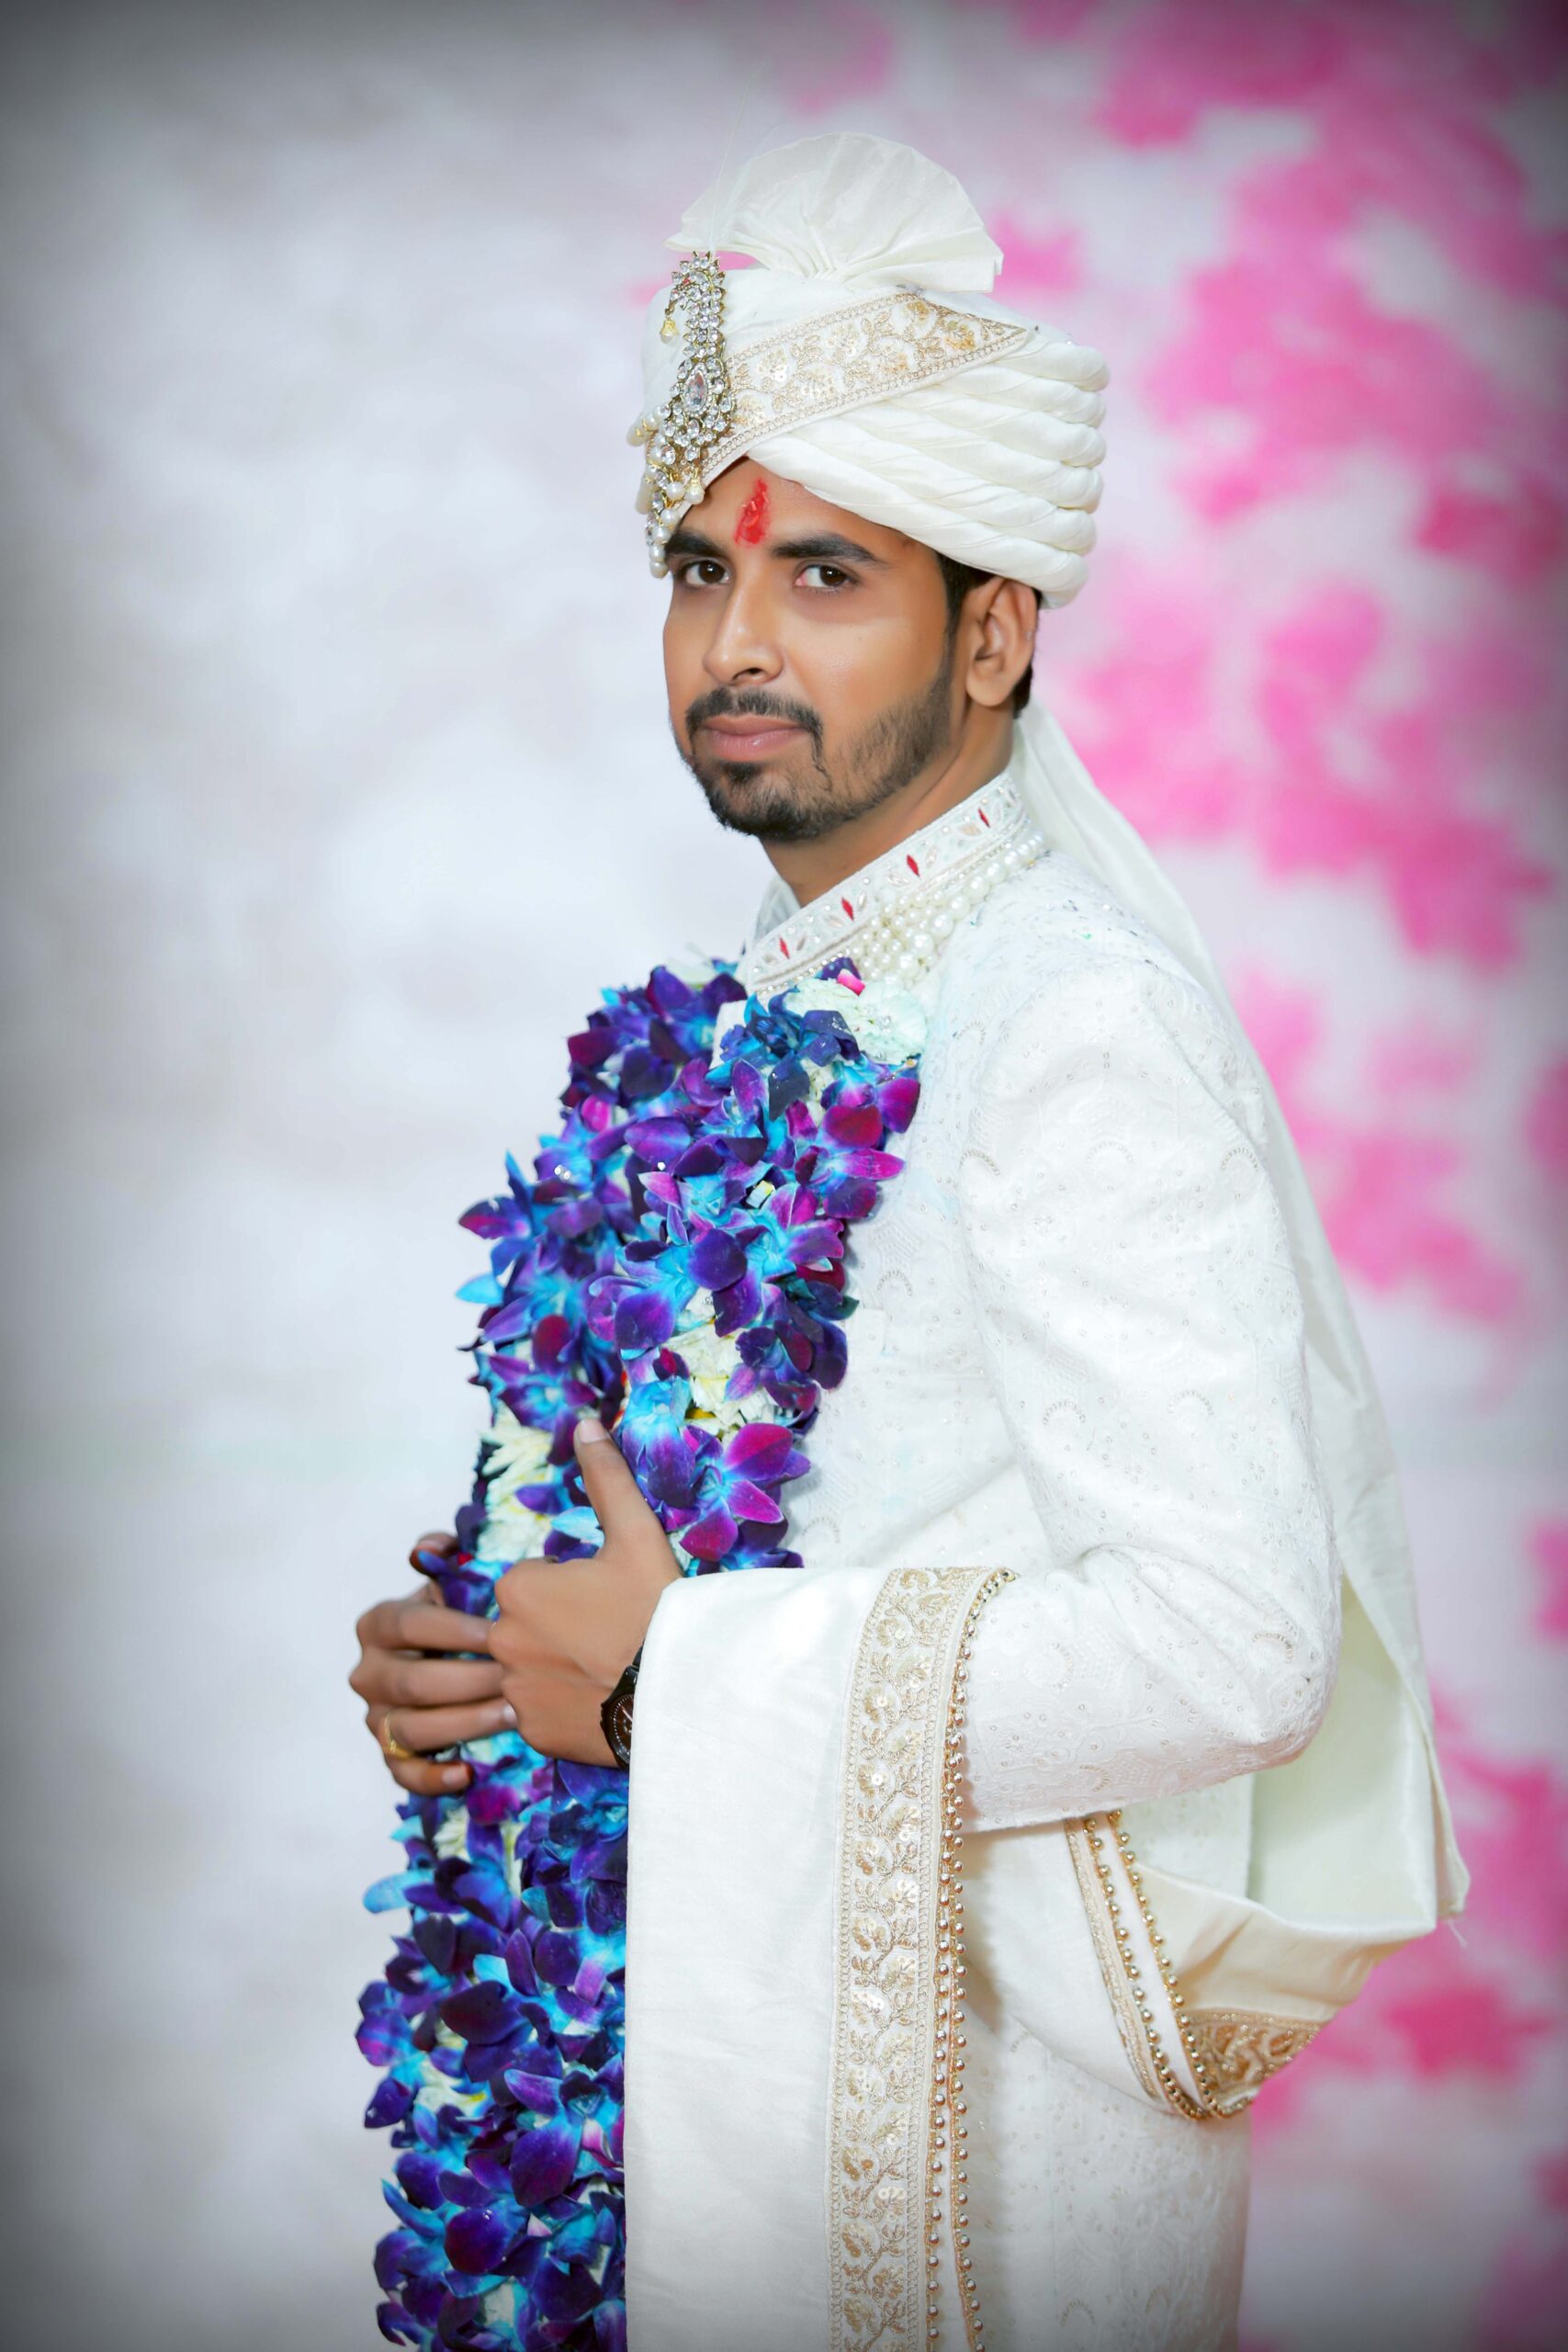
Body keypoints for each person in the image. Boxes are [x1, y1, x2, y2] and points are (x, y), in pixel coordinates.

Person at [349, 135, 1465, 2352]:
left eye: (825, 574)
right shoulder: (753, 1011)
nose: (735, 638)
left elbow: (1231, 1641)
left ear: (991, 635)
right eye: (698, 569)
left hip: (976, 2178)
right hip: (696, 2071)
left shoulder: (1069, 1023)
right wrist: (501, 1658)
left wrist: (673, 1684)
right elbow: (761, 1518)